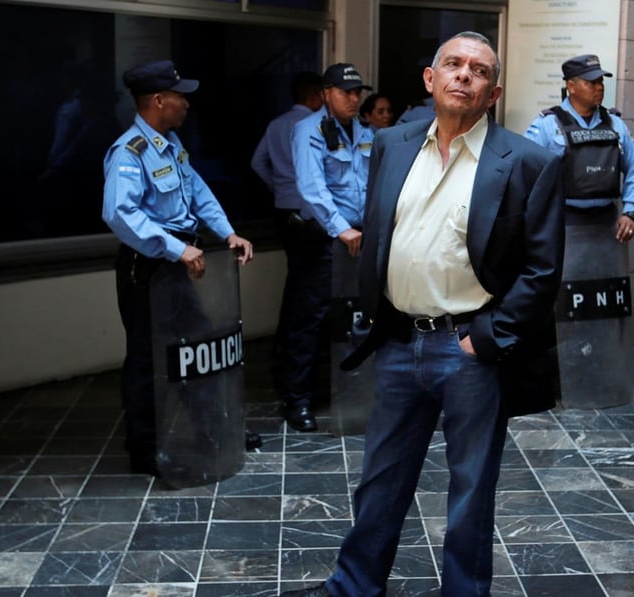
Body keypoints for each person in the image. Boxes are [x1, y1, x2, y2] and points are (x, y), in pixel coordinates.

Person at [280, 31, 564, 597]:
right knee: (380, 480)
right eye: (452, 65)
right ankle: (354, 587)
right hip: (399, 343)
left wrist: (488, 338)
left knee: (470, 490)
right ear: (430, 80)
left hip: (470, 351)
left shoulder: (529, 162)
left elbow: (542, 270)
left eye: (478, 70)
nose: (464, 75)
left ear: (494, 91)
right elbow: (380, 230)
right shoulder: (392, 143)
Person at [101, 60, 256, 477]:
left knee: (196, 351)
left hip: (178, 263)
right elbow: (119, 212)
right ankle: (146, 449)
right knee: (147, 358)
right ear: (157, 100)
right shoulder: (129, 152)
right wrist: (175, 248)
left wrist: (227, 234)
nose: (185, 103)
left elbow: (198, 193)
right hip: (148, 267)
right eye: (179, 96)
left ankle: (212, 430)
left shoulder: (170, 146)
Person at [282, 64, 374, 432]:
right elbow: (311, 188)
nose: (354, 99)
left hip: (360, 238)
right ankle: (297, 400)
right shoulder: (309, 131)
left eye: (357, 93)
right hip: (323, 239)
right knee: (310, 320)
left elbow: (371, 184)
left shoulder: (365, 132)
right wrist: (341, 229)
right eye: (346, 92)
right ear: (326, 94)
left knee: (355, 315)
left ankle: (355, 390)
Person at [250, 71, 324, 393]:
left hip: (284, 207)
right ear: (314, 96)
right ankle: (296, 347)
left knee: (297, 277)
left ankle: (285, 341)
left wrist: (278, 187)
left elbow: (257, 162)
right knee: (307, 283)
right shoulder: (315, 126)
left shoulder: (276, 123)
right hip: (310, 212)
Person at [524, 53, 634, 242]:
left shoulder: (615, 124)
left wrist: (630, 211)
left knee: (610, 273)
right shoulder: (547, 125)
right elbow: (526, 173)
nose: (599, 88)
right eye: (591, 83)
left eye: (601, 82)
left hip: (608, 221)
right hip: (562, 221)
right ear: (571, 87)